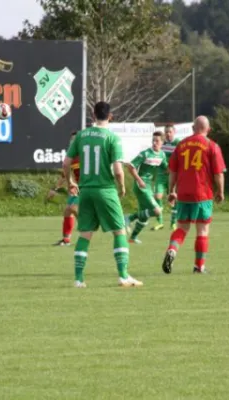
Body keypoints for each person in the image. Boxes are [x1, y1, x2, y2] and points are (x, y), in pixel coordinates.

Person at [63, 102, 143, 288]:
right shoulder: (112, 138)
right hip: (105, 189)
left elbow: (66, 163)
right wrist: (122, 186)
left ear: (93, 115)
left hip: (85, 191)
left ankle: (78, 279)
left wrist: (70, 183)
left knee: (85, 234)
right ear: (111, 116)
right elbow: (117, 169)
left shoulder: (81, 136)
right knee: (119, 231)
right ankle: (123, 275)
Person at [161, 116, 225, 275]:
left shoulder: (181, 145)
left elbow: (173, 171)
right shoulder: (211, 145)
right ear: (208, 130)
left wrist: (171, 191)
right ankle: (199, 266)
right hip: (203, 194)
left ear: (192, 128)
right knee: (202, 230)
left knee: (182, 227)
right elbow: (218, 173)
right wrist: (220, 191)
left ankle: (172, 250)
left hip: (183, 193)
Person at [124, 131, 168, 244]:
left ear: (162, 142)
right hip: (141, 185)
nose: (154, 143)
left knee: (144, 216)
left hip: (148, 186)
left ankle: (132, 238)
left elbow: (166, 168)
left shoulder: (162, 155)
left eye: (157, 141)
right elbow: (130, 166)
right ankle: (129, 218)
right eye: (153, 140)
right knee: (157, 211)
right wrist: (139, 180)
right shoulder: (145, 153)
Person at [48, 131, 80, 246]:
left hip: (88, 187)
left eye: (75, 139)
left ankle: (87, 228)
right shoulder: (72, 156)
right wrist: (55, 189)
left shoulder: (86, 154)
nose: (72, 141)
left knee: (72, 208)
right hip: (77, 187)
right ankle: (66, 240)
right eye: (71, 139)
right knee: (68, 211)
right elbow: (64, 175)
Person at [152, 124, 180, 231]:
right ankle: (159, 222)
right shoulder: (161, 143)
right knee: (157, 196)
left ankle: (173, 223)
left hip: (173, 175)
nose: (168, 134)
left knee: (174, 199)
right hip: (161, 175)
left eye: (170, 132)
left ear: (174, 132)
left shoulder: (178, 144)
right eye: (166, 132)